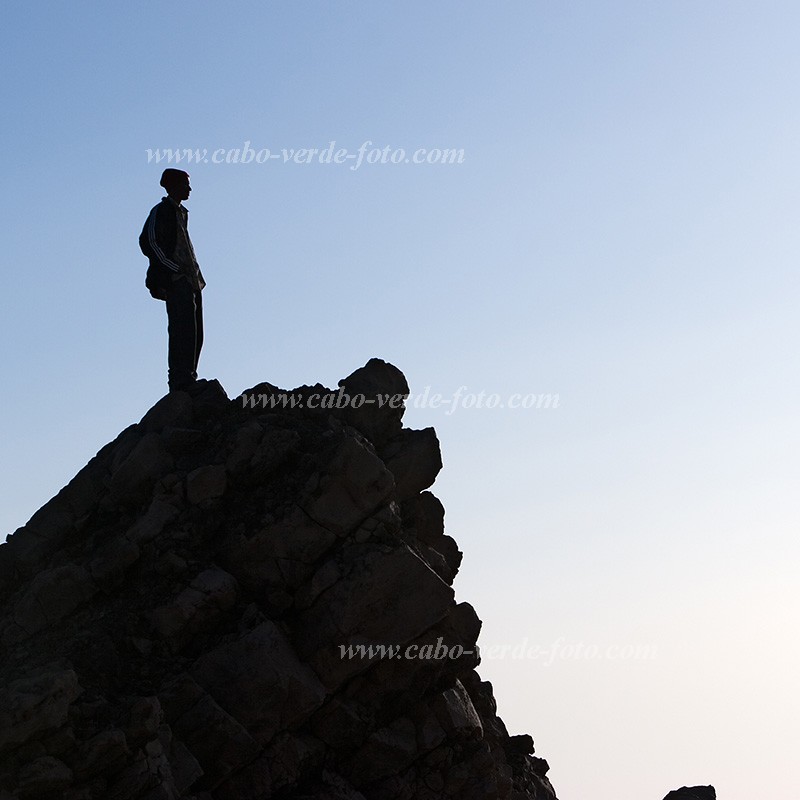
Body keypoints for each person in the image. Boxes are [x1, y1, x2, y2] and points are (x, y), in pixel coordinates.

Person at [139, 169, 206, 392]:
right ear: (173, 185)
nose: (189, 189)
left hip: (192, 280)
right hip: (178, 279)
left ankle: (189, 377)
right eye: (185, 184)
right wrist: (173, 268)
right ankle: (179, 380)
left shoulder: (180, 213)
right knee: (181, 330)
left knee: (196, 333)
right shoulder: (162, 211)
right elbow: (149, 242)